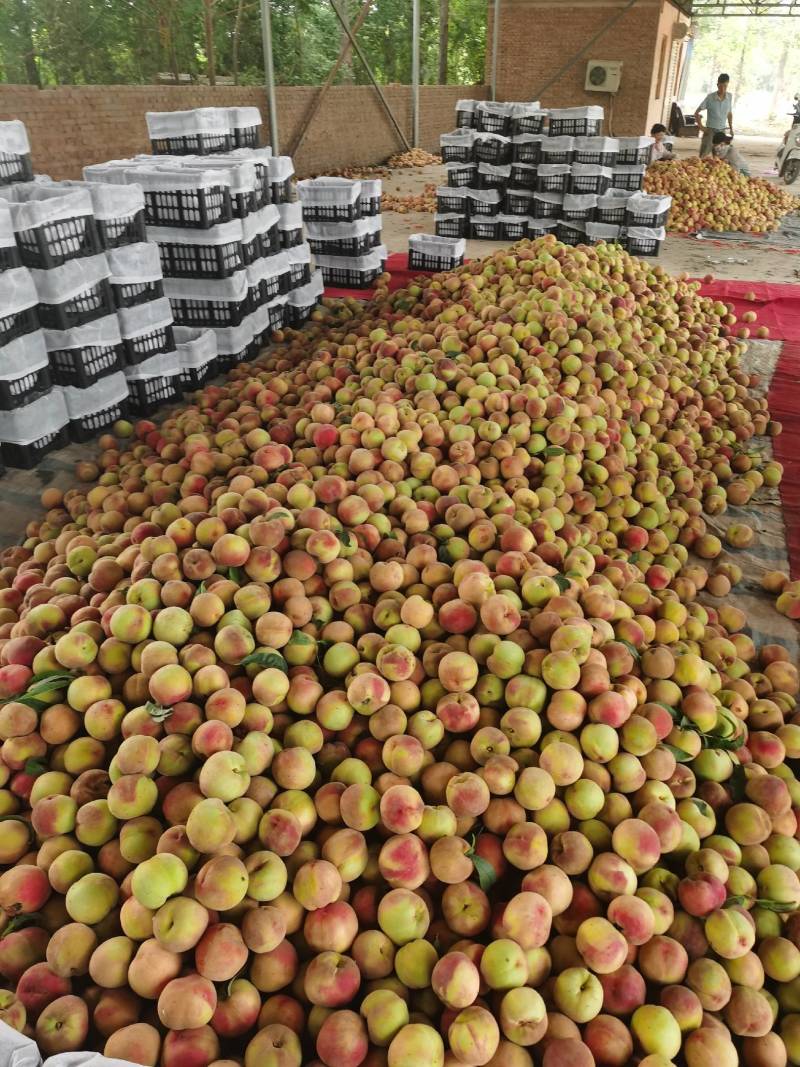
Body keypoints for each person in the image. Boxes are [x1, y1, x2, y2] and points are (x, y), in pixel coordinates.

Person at [694, 73, 734, 157]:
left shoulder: (729, 97)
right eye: (720, 86)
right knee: (703, 155)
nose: (723, 89)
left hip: (722, 131)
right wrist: (701, 127)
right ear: (717, 85)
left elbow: (729, 113)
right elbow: (697, 112)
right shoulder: (710, 97)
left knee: (719, 156)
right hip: (710, 131)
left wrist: (731, 128)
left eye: (725, 86)